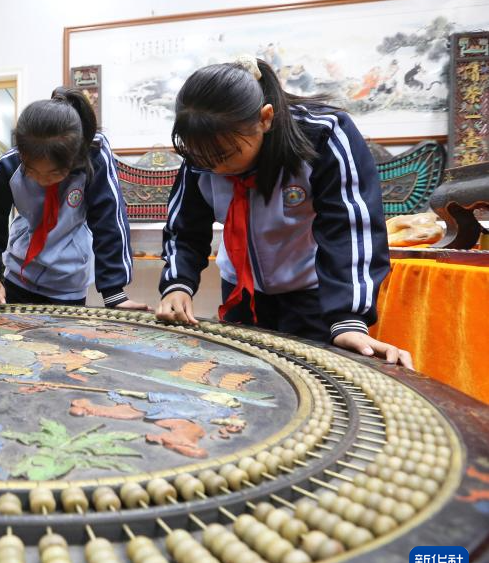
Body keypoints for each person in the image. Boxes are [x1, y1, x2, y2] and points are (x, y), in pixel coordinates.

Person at [155, 56, 412, 369]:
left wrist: (348, 318)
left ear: (265, 119)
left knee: (312, 376)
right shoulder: (203, 155)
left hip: (313, 292)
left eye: (225, 155)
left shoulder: (323, 134)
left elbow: (350, 227)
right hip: (241, 289)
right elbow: (185, 226)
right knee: (244, 375)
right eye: (201, 159)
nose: (215, 169)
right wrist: (178, 283)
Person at [0, 87, 142, 309]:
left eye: (54, 173)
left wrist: (114, 293)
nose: (42, 181)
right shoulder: (9, 164)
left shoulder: (94, 156)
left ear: (74, 158)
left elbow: (109, 222)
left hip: (68, 280)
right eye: (32, 171)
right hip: (19, 274)